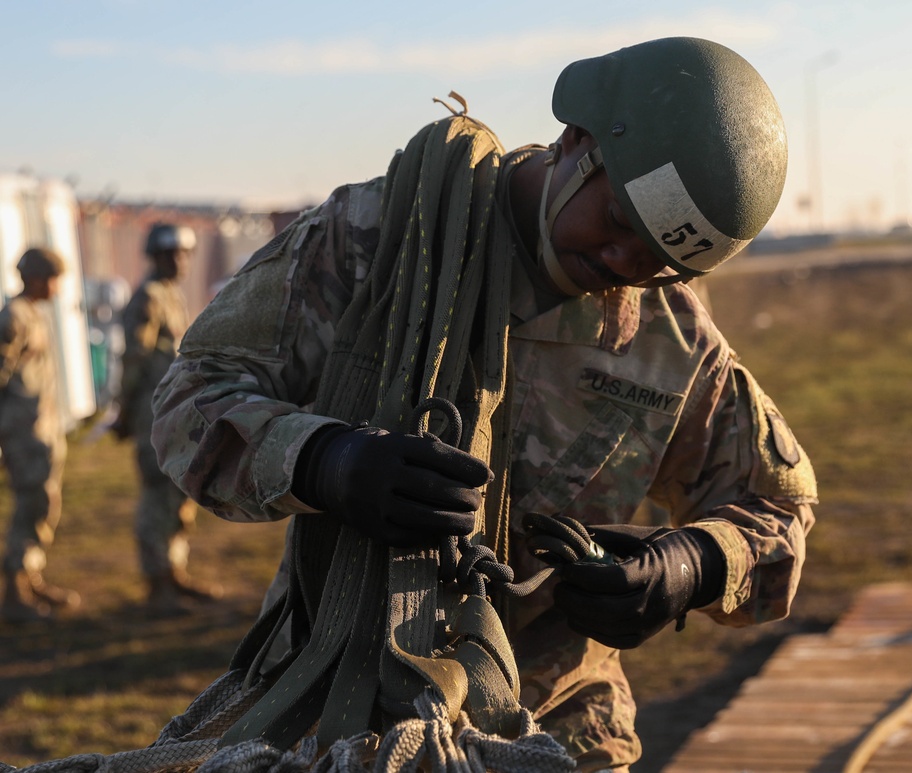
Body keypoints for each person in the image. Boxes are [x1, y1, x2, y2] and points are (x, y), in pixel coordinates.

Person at [151, 38, 817, 771]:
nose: (630, 263)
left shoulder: (671, 338)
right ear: (578, 142)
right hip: (349, 715)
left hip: (558, 729)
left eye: (665, 259)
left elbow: (777, 508)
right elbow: (192, 398)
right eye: (622, 222)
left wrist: (689, 567)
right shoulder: (379, 241)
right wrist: (325, 461)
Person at [115, 223, 221, 613]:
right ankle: (157, 584)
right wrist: (123, 412)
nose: (179, 261)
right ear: (154, 257)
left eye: (183, 253)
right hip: (151, 414)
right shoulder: (147, 298)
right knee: (157, 496)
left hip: (176, 411)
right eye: (169, 254)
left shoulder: (171, 295)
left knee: (179, 492)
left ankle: (175, 574)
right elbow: (134, 360)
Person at [0, 247, 81, 622]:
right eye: (52, 279)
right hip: (21, 433)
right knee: (31, 505)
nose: (56, 287)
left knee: (43, 505)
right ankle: (15, 592)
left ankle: (30, 577)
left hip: (40, 430)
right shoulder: (13, 318)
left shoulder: (34, 314)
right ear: (34, 278)